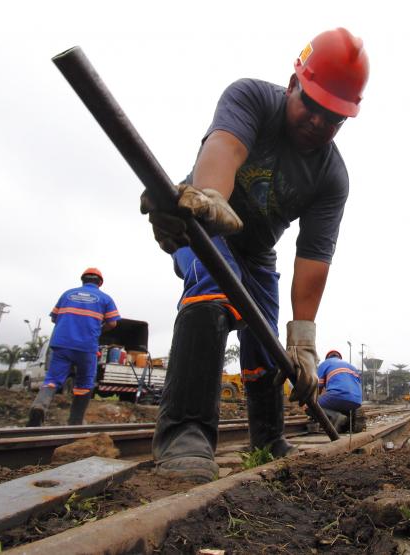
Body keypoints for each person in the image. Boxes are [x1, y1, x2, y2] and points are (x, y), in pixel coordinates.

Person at [140, 28, 369, 483]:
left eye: (334, 118)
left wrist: (302, 343)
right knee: (214, 283)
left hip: (259, 254)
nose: (319, 124)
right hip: (204, 221)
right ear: (292, 84)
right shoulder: (252, 99)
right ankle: (185, 433)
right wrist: (209, 197)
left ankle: (268, 439)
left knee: (266, 341)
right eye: (312, 106)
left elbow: (314, 259)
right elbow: (226, 145)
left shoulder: (332, 176)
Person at [27, 268, 120, 427]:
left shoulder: (67, 294)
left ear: (83, 280)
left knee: (52, 380)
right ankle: (75, 421)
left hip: (62, 343)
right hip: (87, 346)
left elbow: (54, 318)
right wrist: (98, 329)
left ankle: (39, 406)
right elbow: (112, 322)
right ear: (100, 283)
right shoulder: (105, 299)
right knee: (84, 383)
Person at [315, 349, 362, 432]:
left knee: (309, 404)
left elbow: (318, 387)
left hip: (337, 396)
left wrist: (315, 399)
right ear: (339, 357)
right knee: (347, 401)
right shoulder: (352, 367)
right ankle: (349, 424)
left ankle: (335, 416)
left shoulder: (325, 364)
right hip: (357, 400)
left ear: (328, 358)